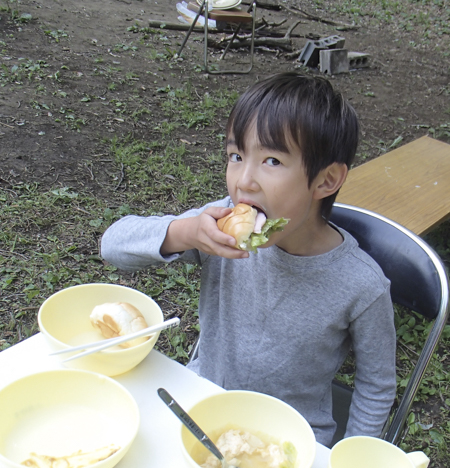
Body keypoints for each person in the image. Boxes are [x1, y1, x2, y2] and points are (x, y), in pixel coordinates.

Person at [101, 72, 397, 447]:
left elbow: (376, 386)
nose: (244, 181)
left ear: (326, 181)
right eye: (236, 156)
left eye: (271, 160)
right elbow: (112, 244)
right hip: (201, 407)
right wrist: (185, 232)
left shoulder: (361, 285)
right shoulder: (218, 226)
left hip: (288, 438)